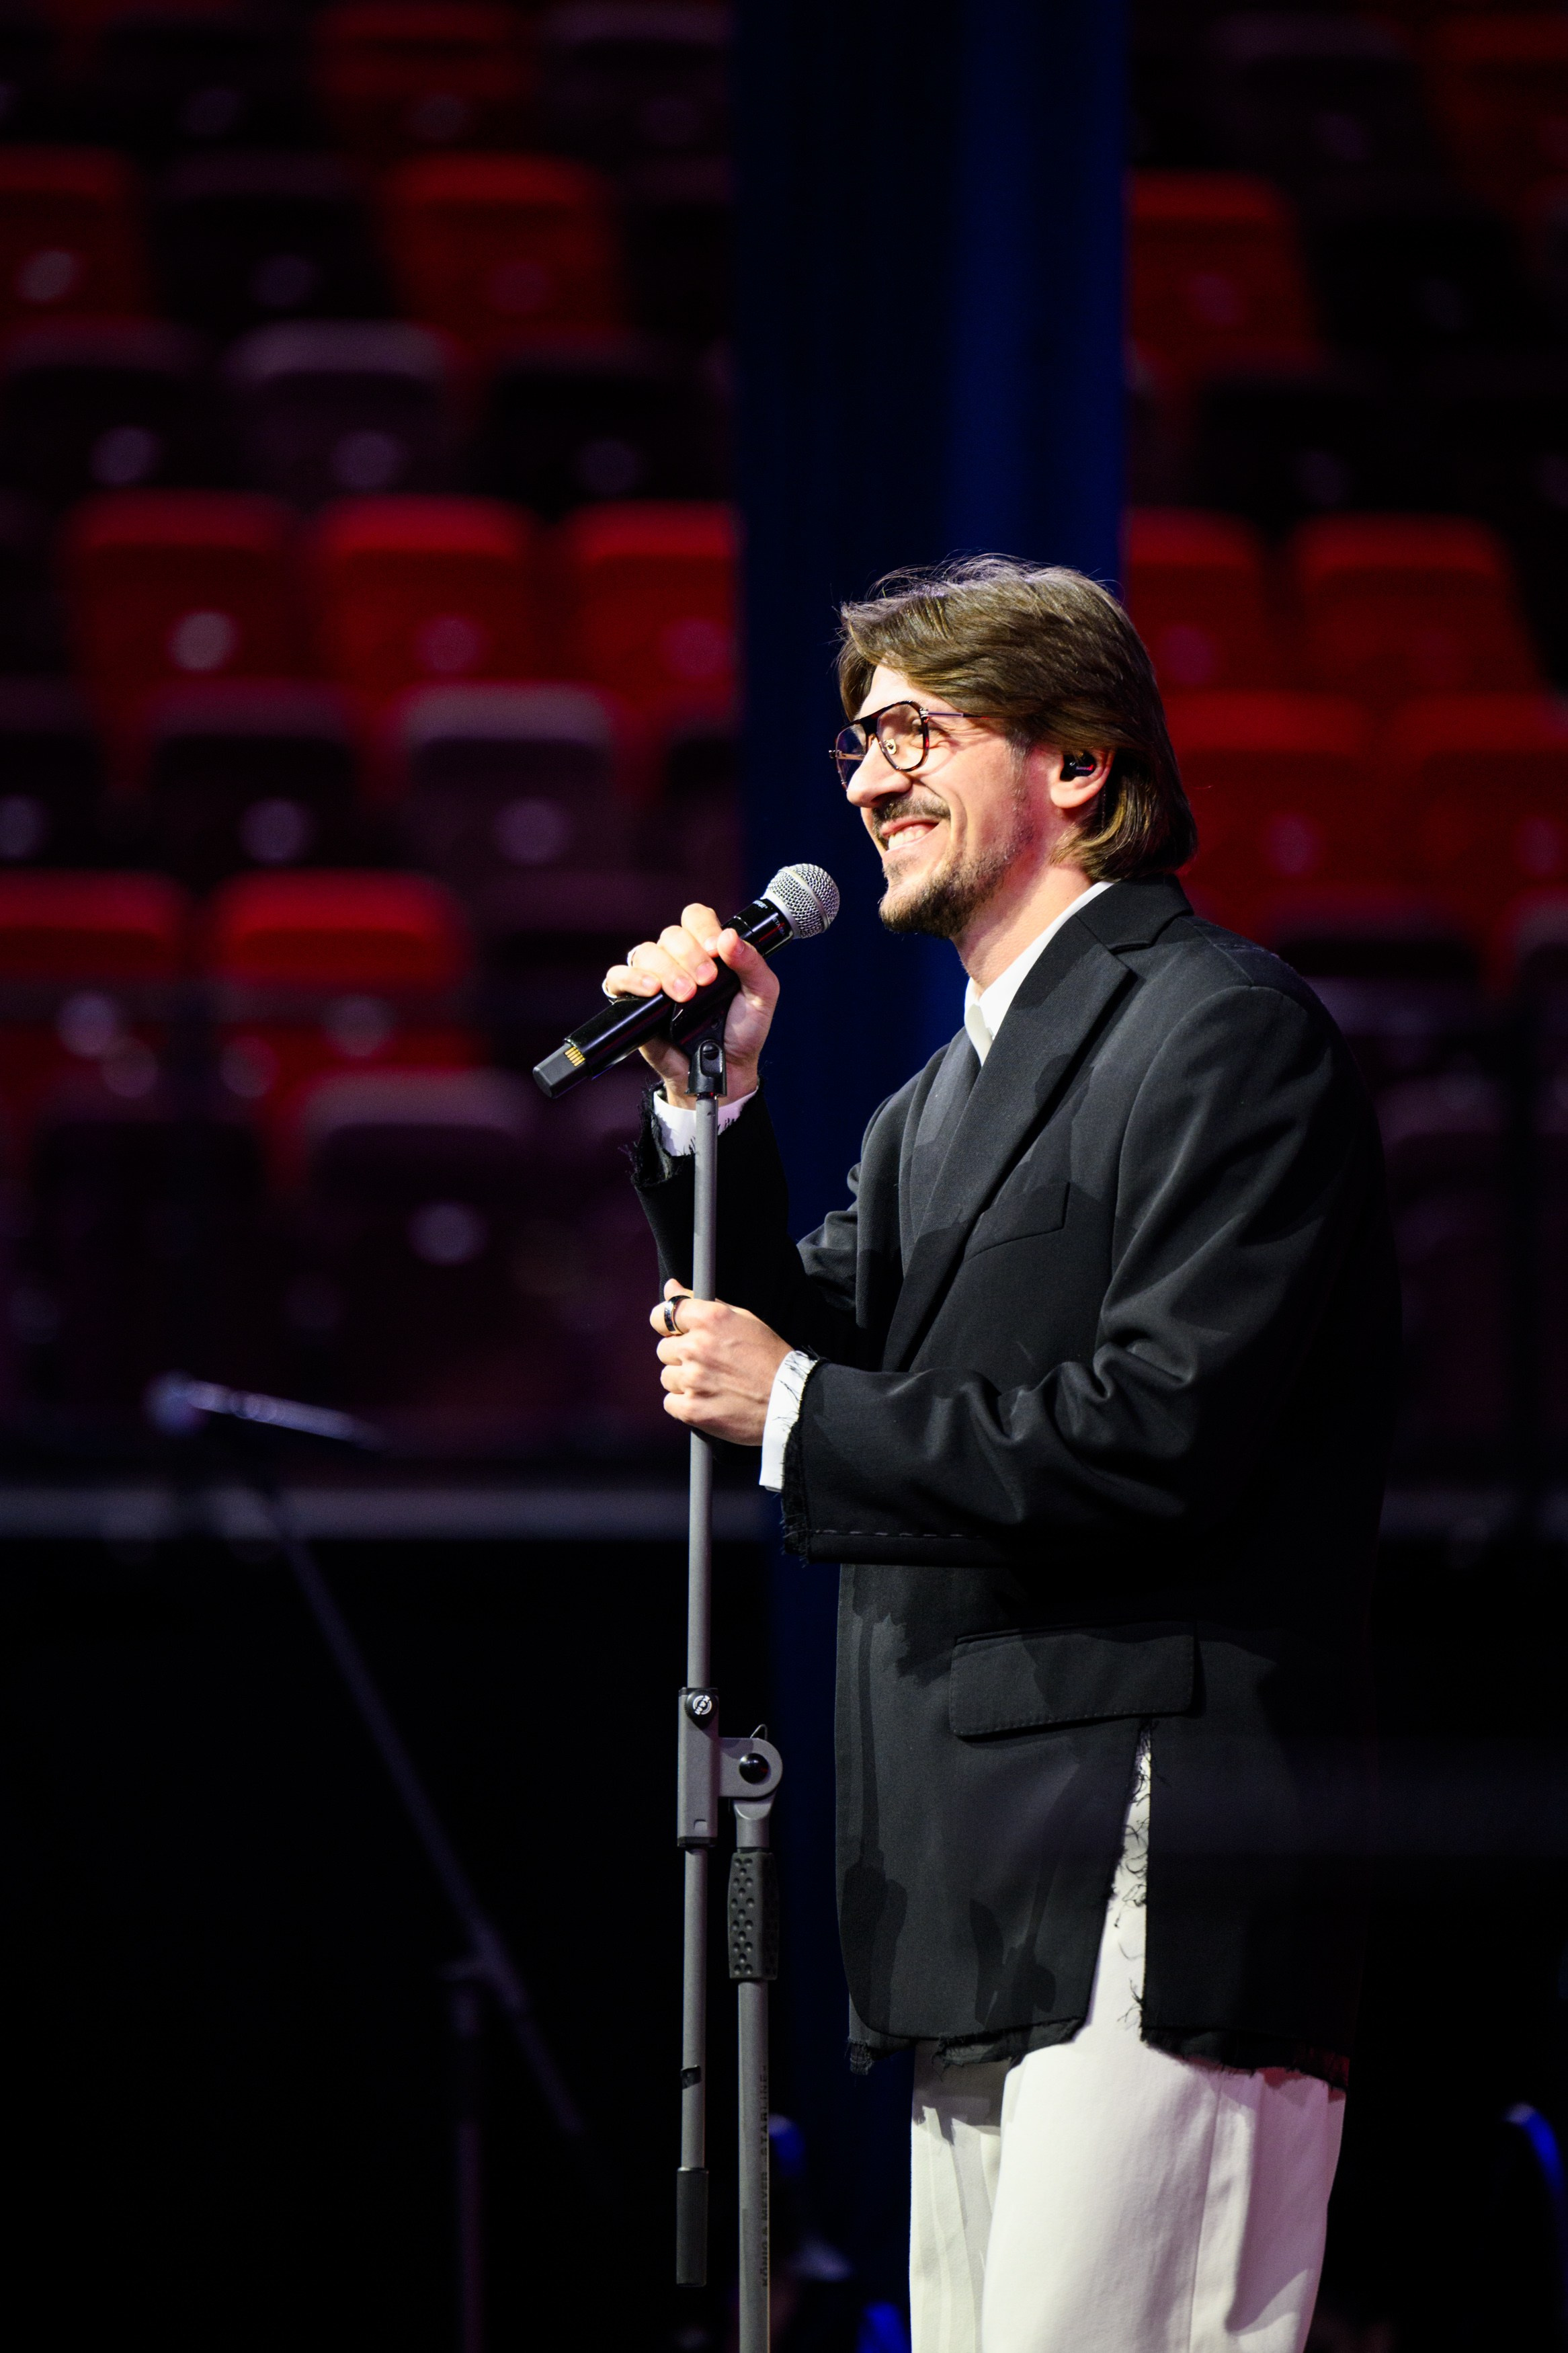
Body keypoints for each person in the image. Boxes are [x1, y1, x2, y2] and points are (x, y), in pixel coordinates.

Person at [608, 556, 1400, 2353]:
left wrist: (794, 1407)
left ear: (1077, 764)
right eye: (859, 742)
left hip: (1154, 1861)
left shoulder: (1221, 1030)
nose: (869, 781)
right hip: (969, 1869)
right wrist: (710, 1108)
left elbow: (1162, 1428)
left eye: (914, 732)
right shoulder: (936, 1103)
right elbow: (810, 1342)